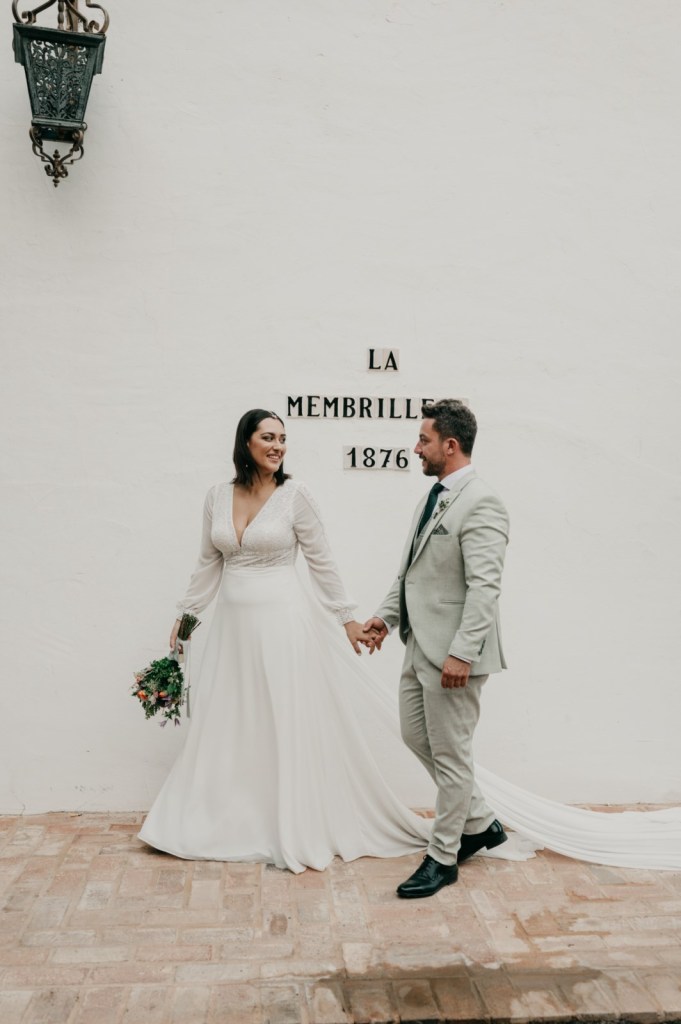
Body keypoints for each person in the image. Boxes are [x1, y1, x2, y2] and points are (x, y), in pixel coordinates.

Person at [138, 408, 431, 872]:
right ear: (246, 443)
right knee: (230, 717)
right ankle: (222, 818)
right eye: (268, 437)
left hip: (282, 623)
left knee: (280, 716)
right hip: (232, 628)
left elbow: (322, 561)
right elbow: (208, 562)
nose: (278, 446)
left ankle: (288, 821)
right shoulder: (217, 496)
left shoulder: (295, 495)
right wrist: (187, 615)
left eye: (282, 438)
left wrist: (347, 618)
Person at [364, 399, 509, 898]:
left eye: (423, 440)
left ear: (450, 445)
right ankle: (481, 821)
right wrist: (385, 617)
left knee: (452, 755)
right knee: (414, 735)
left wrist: (463, 653)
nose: (416, 447)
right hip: (418, 644)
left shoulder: (483, 502)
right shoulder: (433, 497)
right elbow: (409, 573)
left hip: (453, 655)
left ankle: (443, 856)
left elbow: (485, 587)